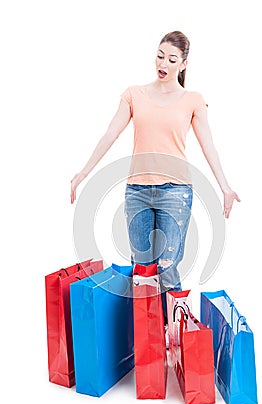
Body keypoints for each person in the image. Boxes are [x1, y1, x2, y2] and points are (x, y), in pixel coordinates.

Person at [70, 30, 240, 323]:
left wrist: (224, 186)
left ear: (183, 64)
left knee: (169, 267)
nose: (163, 63)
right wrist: (83, 173)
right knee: (143, 271)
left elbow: (208, 145)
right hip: (137, 191)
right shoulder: (134, 94)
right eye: (160, 56)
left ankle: (175, 338)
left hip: (175, 192)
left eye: (172, 59)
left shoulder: (193, 100)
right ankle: (149, 342)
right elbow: (110, 133)